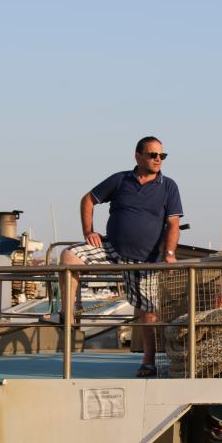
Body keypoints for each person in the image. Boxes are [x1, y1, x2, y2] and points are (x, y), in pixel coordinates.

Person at [47, 136, 182, 377]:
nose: (158, 159)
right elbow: (88, 199)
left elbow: (173, 224)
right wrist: (89, 232)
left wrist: (169, 255)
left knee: (148, 313)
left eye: (162, 155)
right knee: (69, 257)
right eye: (153, 155)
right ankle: (68, 314)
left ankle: (148, 362)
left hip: (145, 259)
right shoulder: (120, 180)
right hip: (113, 250)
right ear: (138, 156)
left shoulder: (168, 186)